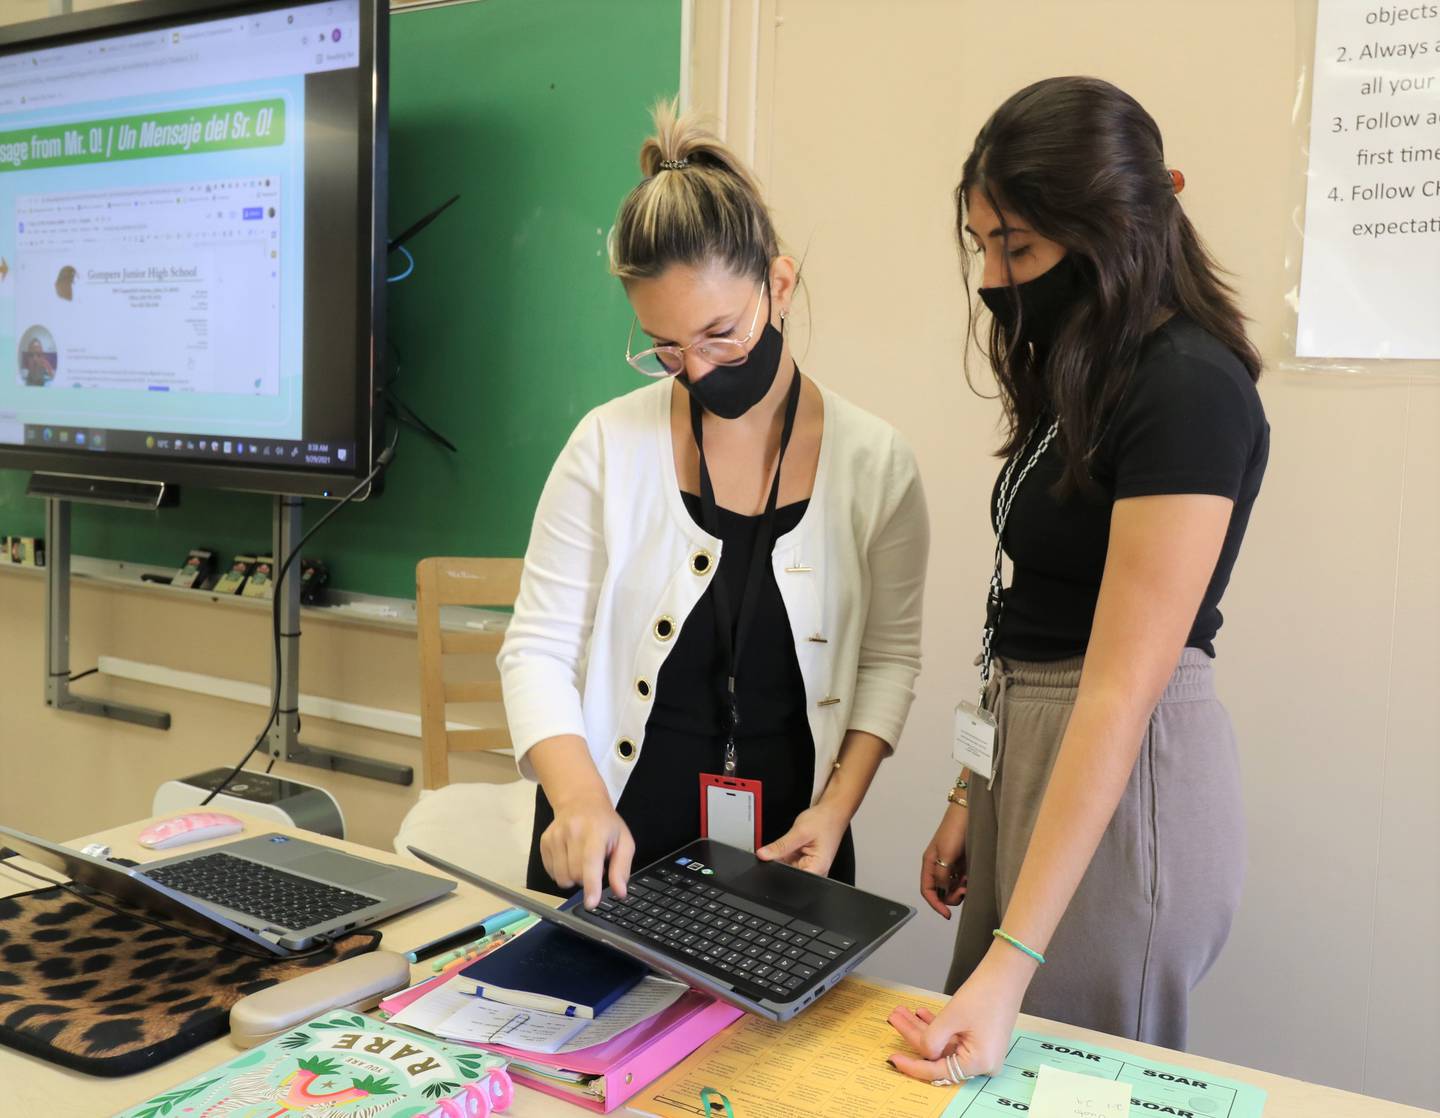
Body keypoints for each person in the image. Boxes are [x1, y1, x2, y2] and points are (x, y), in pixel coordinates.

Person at [888, 77, 1269, 1085]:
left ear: (1111, 228)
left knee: (1065, 1079)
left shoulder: (1189, 386)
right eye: (982, 245)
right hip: (1036, 749)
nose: (994, 275)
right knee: (981, 1074)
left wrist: (1014, 957)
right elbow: (1025, 605)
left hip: (1127, 764)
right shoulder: (1082, 370)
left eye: (1018, 247)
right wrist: (979, 782)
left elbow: (1116, 687)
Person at [499, 103, 929, 908]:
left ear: (782, 282)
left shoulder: (876, 466)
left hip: (790, 856)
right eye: (664, 347)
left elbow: (888, 661)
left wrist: (835, 812)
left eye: (719, 334)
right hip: (612, 853)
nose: (694, 369)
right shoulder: (604, 446)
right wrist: (580, 800)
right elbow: (536, 651)